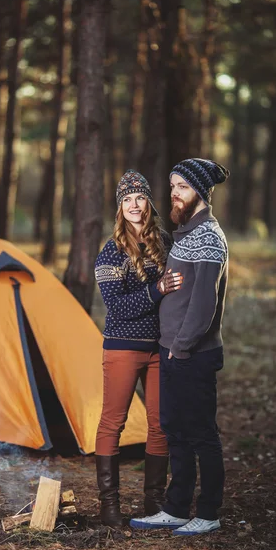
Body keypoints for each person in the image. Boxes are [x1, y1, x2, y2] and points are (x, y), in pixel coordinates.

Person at [130, 158, 230, 536]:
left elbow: (204, 303)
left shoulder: (208, 236)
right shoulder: (187, 231)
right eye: (172, 186)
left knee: (202, 434)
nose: (174, 193)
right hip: (172, 351)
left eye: (183, 187)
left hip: (193, 355)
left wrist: (182, 347)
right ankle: (175, 508)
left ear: (201, 193)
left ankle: (208, 512)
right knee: (175, 430)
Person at [94, 169, 183, 529]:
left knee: (160, 424)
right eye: (127, 198)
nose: (134, 204)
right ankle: (109, 506)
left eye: (140, 197)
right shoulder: (111, 252)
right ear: (120, 206)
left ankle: (154, 502)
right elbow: (118, 307)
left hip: (160, 349)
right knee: (113, 422)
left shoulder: (164, 242)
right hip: (122, 348)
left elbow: (178, 294)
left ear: (148, 201)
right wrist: (158, 289)